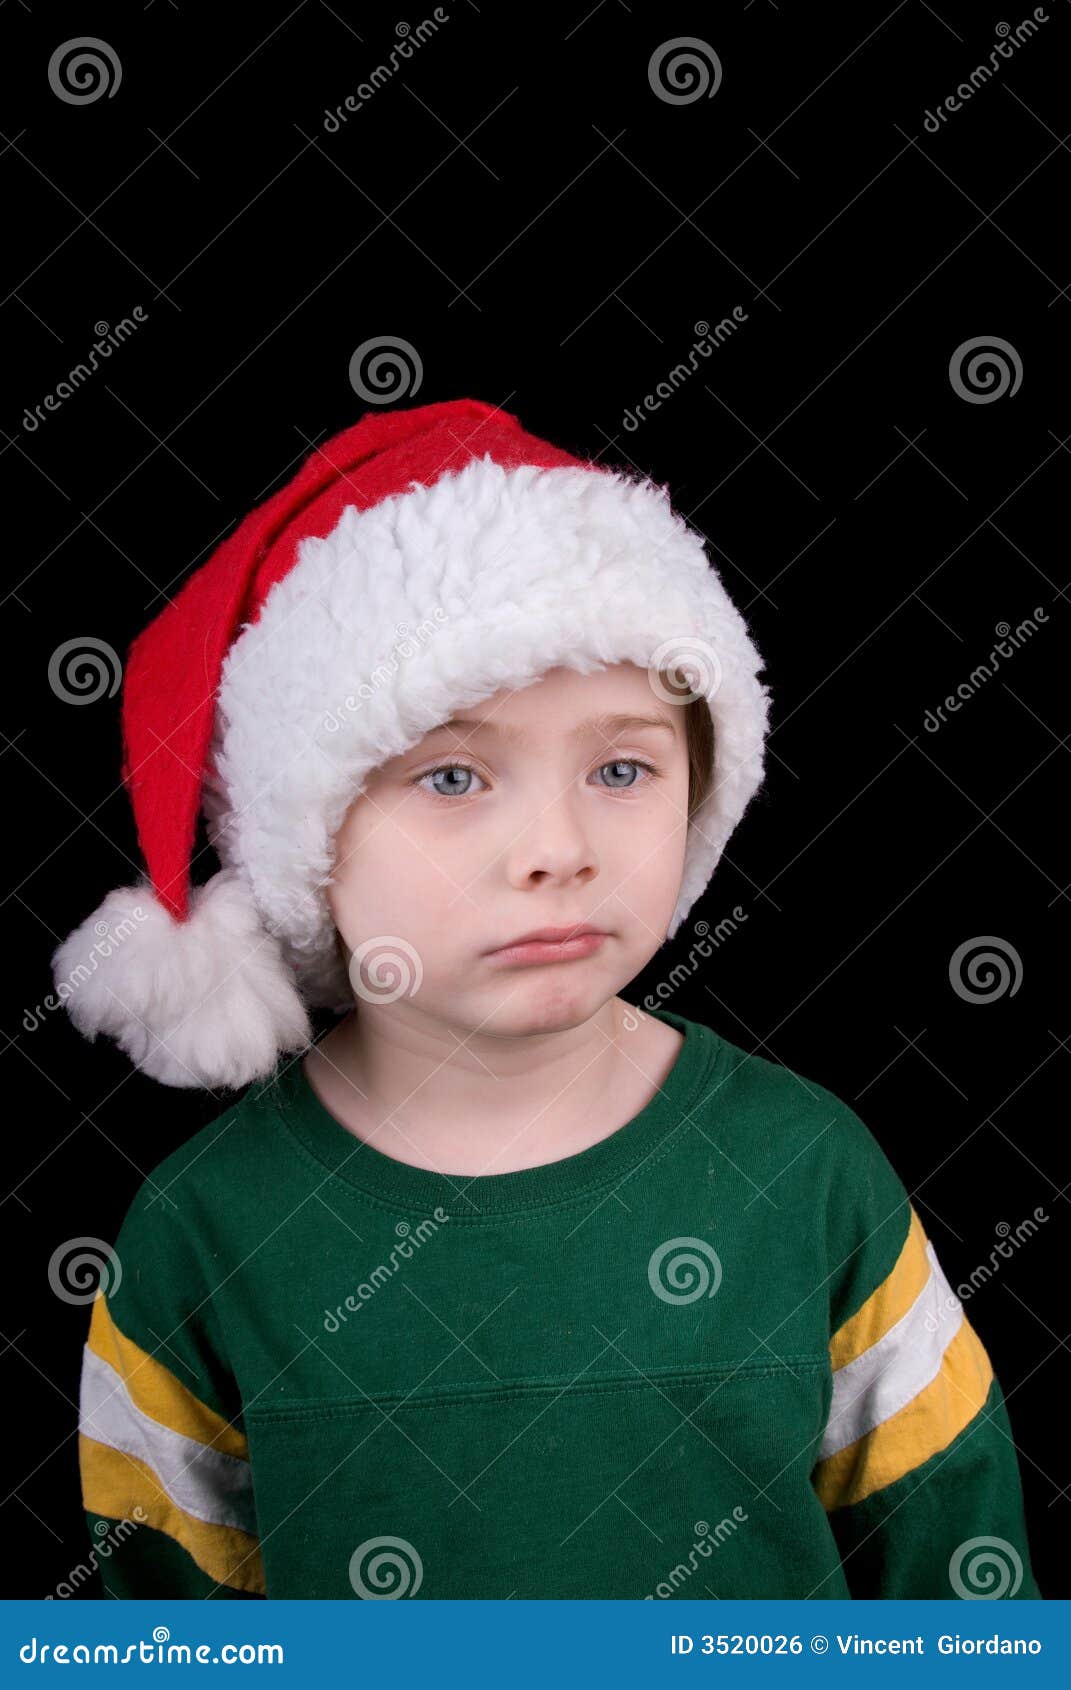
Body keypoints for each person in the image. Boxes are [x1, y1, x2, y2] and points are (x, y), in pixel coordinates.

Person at [56, 398, 1039, 1599]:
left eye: (621, 768)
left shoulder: (806, 1169)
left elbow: (958, 1570)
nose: (557, 848)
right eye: (455, 775)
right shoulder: (204, 1233)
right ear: (302, 843)